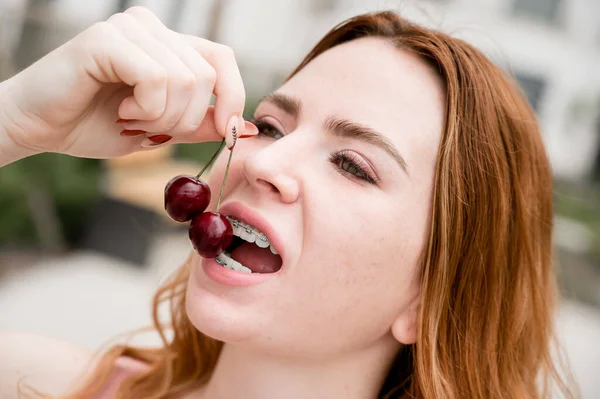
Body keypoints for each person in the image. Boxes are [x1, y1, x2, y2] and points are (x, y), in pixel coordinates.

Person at [0, 6, 577, 399]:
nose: (262, 162)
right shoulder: (42, 383)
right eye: (272, 126)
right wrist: (17, 122)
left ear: (430, 298)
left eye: (353, 165)